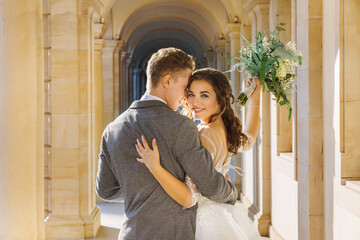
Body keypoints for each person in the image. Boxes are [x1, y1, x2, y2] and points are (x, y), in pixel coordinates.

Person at [95, 48, 238, 240]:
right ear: (168, 81)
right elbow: (210, 185)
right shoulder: (181, 126)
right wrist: (231, 193)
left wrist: (139, 188)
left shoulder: (112, 129)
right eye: (186, 88)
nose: (186, 96)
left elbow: (105, 191)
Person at [135, 68, 262, 239]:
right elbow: (250, 139)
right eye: (191, 94)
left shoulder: (204, 135)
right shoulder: (226, 127)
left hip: (202, 221)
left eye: (204, 95)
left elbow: (189, 197)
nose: (195, 102)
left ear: (220, 100)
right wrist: (256, 98)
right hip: (223, 214)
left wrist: (155, 167)